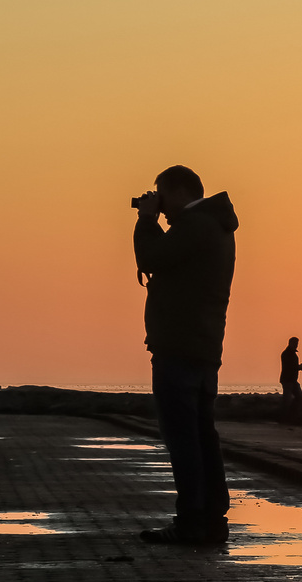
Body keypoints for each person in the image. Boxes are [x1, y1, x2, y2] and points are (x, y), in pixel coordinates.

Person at [132, 165, 239, 545]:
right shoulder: (214, 227)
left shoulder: (196, 226)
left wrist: (145, 222)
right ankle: (211, 519)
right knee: (202, 436)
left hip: (180, 347)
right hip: (204, 346)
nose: (160, 206)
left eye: (161, 195)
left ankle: (193, 520)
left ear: (177, 192)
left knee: (184, 439)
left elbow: (153, 257)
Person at [280, 337, 302, 405]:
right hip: (287, 380)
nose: (296, 345)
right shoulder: (286, 354)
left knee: (299, 398)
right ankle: (286, 413)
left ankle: (292, 412)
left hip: (292, 380)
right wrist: (299, 367)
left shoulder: (292, 354)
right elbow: (289, 366)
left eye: (297, 343)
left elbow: (292, 365)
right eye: (294, 343)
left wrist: (299, 367)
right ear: (290, 343)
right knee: (287, 400)